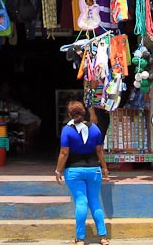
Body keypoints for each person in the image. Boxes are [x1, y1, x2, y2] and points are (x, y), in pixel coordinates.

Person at [55, 100, 110, 245]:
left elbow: (64, 153)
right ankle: (103, 237)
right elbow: (99, 151)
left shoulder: (67, 130)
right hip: (94, 171)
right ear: (84, 112)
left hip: (74, 171)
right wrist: (104, 168)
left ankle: (80, 238)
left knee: (81, 202)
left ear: (69, 114)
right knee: (95, 202)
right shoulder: (95, 129)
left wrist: (58, 170)